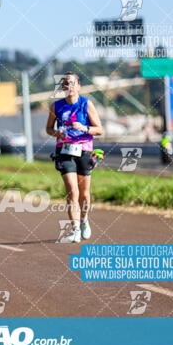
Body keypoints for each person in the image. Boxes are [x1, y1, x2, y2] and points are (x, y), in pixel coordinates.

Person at [45, 72, 103, 243]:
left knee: (84, 194)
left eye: (72, 83)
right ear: (63, 87)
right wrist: (57, 133)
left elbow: (99, 129)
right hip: (64, 150)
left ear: (78, 86)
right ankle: (75, 229)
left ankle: (84, 220)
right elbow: (48, 129)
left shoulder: (86, 104)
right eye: (66, 84)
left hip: (84, 150)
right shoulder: (56, 106)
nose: (69, 86)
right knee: (72, 191)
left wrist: (84, 127)